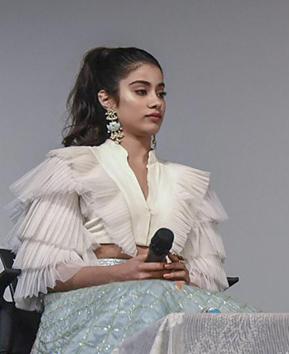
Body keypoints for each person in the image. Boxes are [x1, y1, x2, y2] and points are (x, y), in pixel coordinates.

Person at [4, 47, 255, 353]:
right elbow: (45, 274)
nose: (155, 102)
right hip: (90, 307)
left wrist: (183, 273)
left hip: (166, 297)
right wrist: (121, 271)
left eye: (161, 93)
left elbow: (208, 277)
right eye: (141, 91)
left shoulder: (185, 182)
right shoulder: (74, 168)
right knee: (151, 303)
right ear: (107, 99)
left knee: (245, 326)